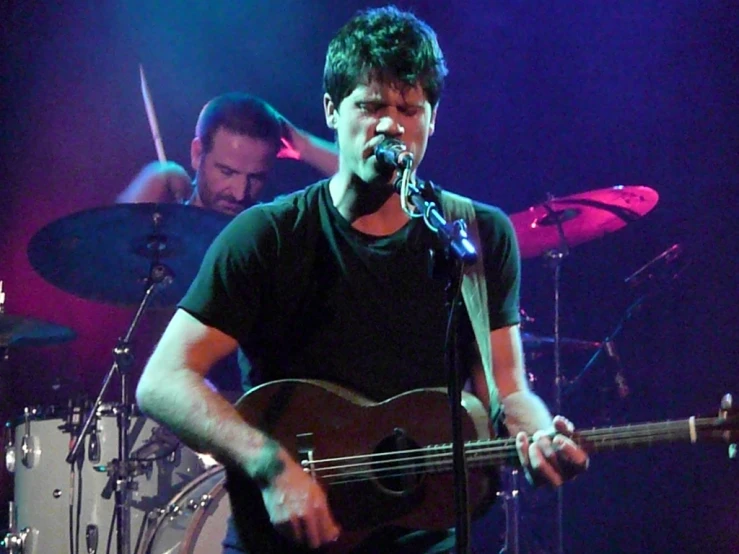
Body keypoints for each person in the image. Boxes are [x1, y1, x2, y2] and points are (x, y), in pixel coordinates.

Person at [135, 6, 589, 553]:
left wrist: (535, 432)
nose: (391, 124)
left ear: (432, 119)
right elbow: (162, 380)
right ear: (331, 109)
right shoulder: (268, 235)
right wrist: (269, 465)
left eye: (409, 108)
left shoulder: (475, 234)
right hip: (284, 541)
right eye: (371, 104)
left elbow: (508, 389)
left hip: (423, 534)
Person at [118, 92, 339, 215]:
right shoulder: (166, 211)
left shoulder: (272, 226)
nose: (240, 193)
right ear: (197, 154)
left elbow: (367, 181)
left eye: (255, 177)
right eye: (227, 172)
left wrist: (302, 144)